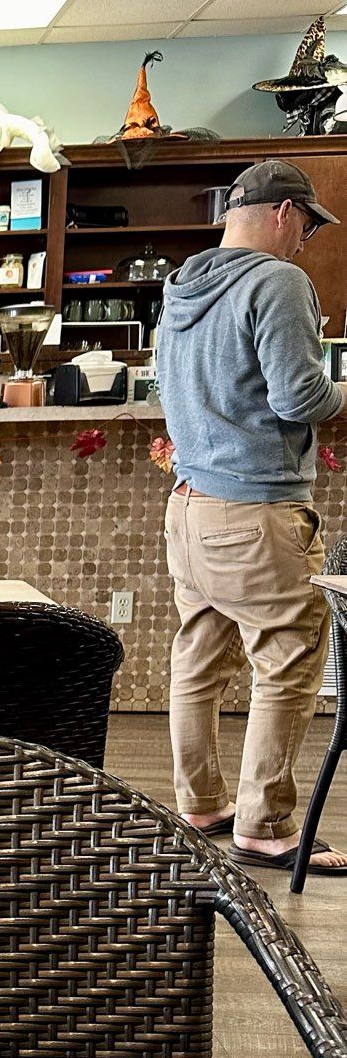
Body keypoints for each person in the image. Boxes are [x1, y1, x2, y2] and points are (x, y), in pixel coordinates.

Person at [157, 157, 347, 874]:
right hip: (256, 507)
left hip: (188, 508)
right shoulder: (278, 281)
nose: (306, 243)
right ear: (283, 213)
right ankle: (266, 826)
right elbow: (300, 398)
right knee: (289, 660)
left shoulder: (182, 286)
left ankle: (200, 802)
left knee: (199, 660)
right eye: (307, 227)